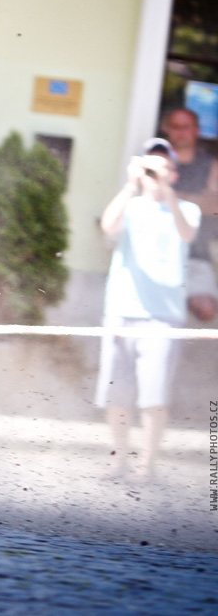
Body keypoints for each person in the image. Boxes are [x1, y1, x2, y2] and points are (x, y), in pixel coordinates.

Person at [96, 138, 198, 481]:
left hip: (163, 316)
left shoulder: (187, 208)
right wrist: (130, 184)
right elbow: (108, 226)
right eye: (150, 166)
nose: (155, 172)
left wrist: (165, 189)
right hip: (122, 310)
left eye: (162, 166)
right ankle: (119, 459)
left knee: (154, 394)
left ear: (174, 171)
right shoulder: (132, 206)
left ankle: (146, 465)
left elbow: (186, 234)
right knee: (116, 391)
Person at [160, 106, 218, 323]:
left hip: (195, 255)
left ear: (196, 131)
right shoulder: (159, 159)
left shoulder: (210, 164)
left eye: (186, 127)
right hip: (159, 253)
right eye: (175, 127)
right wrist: (196, 199)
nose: (181, 132)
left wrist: (172, 196)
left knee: (206, 309)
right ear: (167, 130)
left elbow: (214, 204)